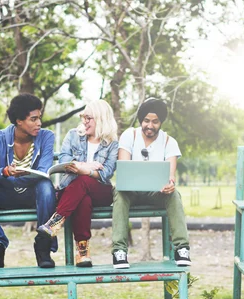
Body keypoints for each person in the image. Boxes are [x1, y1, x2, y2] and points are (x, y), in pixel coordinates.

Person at [0, 93, 56, 270]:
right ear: (19, 121)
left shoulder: (46, 137)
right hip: (5, 194)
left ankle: (43, 246)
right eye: (33, 119)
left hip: (32, 194)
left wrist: (14, 175)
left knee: (46, 187)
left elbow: (43, 172)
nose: (39, 123)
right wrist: (3, 172)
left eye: (39, 118)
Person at [111, 97, 191, 268]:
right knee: (119, 191)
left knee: (174, 194)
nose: (150, 125)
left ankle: (182, 248)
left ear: (161, 122)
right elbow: (123, 168)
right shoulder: (129, 135)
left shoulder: (169, 142)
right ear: (141, 120)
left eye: (155, 121)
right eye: (146, 120)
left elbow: (170, 175)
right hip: (130, 193)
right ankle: (119, 251)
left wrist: (169, 183)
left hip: (157, 193)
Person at [37, 100, 118, 267]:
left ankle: (55, 222)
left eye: (89, 117)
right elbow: (65, 161)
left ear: (101, 119)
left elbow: (106, 173)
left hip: (100, 191)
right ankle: (83, 252)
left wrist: (81, 169)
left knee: (83, 181)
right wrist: (88, 166)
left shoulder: (112, 144)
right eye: (83, 117)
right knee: (83, 199)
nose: (84, 121)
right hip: (73, 191)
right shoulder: (73, 135)